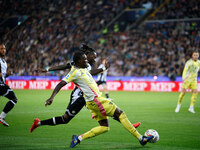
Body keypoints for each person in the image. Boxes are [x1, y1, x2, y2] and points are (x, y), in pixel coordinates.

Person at [34, 51, 153, 148]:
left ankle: (78, 138)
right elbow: (61, 84)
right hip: (96, 100)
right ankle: (141, 138)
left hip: (92, 102)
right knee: (121, 114)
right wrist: (51, 97)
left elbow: (91, 72)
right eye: (85, 59)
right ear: (78, 61)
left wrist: (103, 69)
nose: (87, 61)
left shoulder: (84, 68)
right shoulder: (74, 72)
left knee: (104, 127)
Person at [30, 45, 141, 132]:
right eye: (94, 56)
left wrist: (102, 69)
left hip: (87, 96)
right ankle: (38, 123)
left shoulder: (85, 64)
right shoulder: (79, 65)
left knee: (105, 110)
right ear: (87, 55)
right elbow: (65, 67)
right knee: (65, 119)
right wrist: (48, 69)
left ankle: (127, 124)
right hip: (79, 96)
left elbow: (89, 71)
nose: (95, 58)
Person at [0, 44, 18, 127]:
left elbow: (2, 76)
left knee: (14, 99)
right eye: (1, 49)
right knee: (14, 98)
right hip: (0, 85)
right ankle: (1, 117)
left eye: (4, 48)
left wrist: (7, 74)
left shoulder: (4, 62)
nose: (3, 50)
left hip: (2, 84)